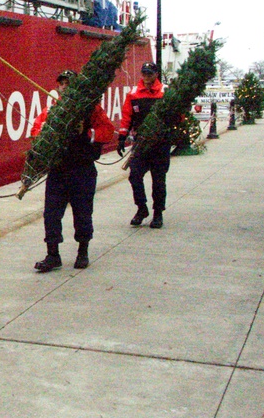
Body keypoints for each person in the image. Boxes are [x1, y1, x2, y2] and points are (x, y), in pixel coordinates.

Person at [30, 70, 114, 272]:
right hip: (58, 170)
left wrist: (87, 133)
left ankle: (82, 252)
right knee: (51, 214)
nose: (65, 87)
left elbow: (108, 130)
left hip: (82, 169)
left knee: (83, 213)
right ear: (58, 87)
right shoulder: (52, 110)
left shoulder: (91, 109)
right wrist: (49, 134)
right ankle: (53, 255)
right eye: (62, 83)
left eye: (69, 83)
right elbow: (35, 130)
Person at [117, 62, 169, 229]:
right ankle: (142, 208)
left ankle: (158, 213)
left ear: (156, 74)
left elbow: (176, 115)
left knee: (158, 179)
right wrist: (121, 137)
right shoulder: (133, 94)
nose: (146, 77)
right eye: (144, 73)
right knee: (134, 176)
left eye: (150, 73)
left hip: (160, 143)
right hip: (141, 143)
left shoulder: (165, 92)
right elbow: (127, 116)